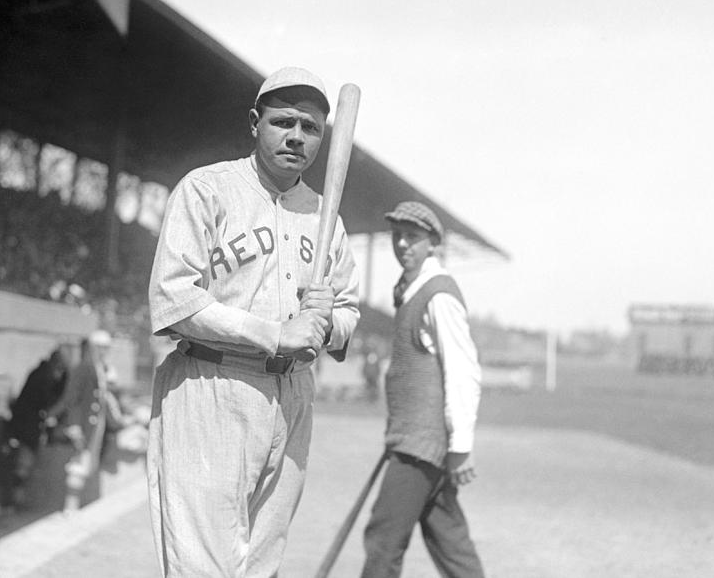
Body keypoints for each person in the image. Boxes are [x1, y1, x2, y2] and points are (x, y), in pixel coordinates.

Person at [147, 66, 360, 577]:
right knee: (203, 567)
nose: (296, 137)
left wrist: (327, 322)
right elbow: (173, 297)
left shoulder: (325, 215)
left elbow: (349, 309)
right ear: (254, 123)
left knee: (262, 564)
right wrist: (274, 332)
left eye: (310, 128)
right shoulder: (208, 190)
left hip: (293, 396)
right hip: (212, 385)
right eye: (283, 122)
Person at [361, 201, 484, 578]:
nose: (402, 244)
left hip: (420, 447)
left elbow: (463, 371)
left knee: (383, 541)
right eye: (397, 236)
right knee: (452, 545)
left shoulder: (439, 294)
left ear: (432, 243)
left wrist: (460, 448)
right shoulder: (410, 290)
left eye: (412, 237)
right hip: (414, 441)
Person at [47, 330, 112, 513]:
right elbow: (72, 399)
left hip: (95, 424)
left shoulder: (100, 367)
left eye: (106, 348)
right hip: (84, 424)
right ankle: (71, 506)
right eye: (100, 347)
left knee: (87, 462)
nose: (103, 351)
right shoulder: (83, 368)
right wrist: (74, 425)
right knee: (79, 462)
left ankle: (77, 503)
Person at [8, 348, 68, 507]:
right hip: (26, 425)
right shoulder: (43, 376)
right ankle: (16, 499)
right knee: (23, 462)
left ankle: (17, 498)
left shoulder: (43, 373)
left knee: (24, 461)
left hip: (27, 423)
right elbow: (48, 399)